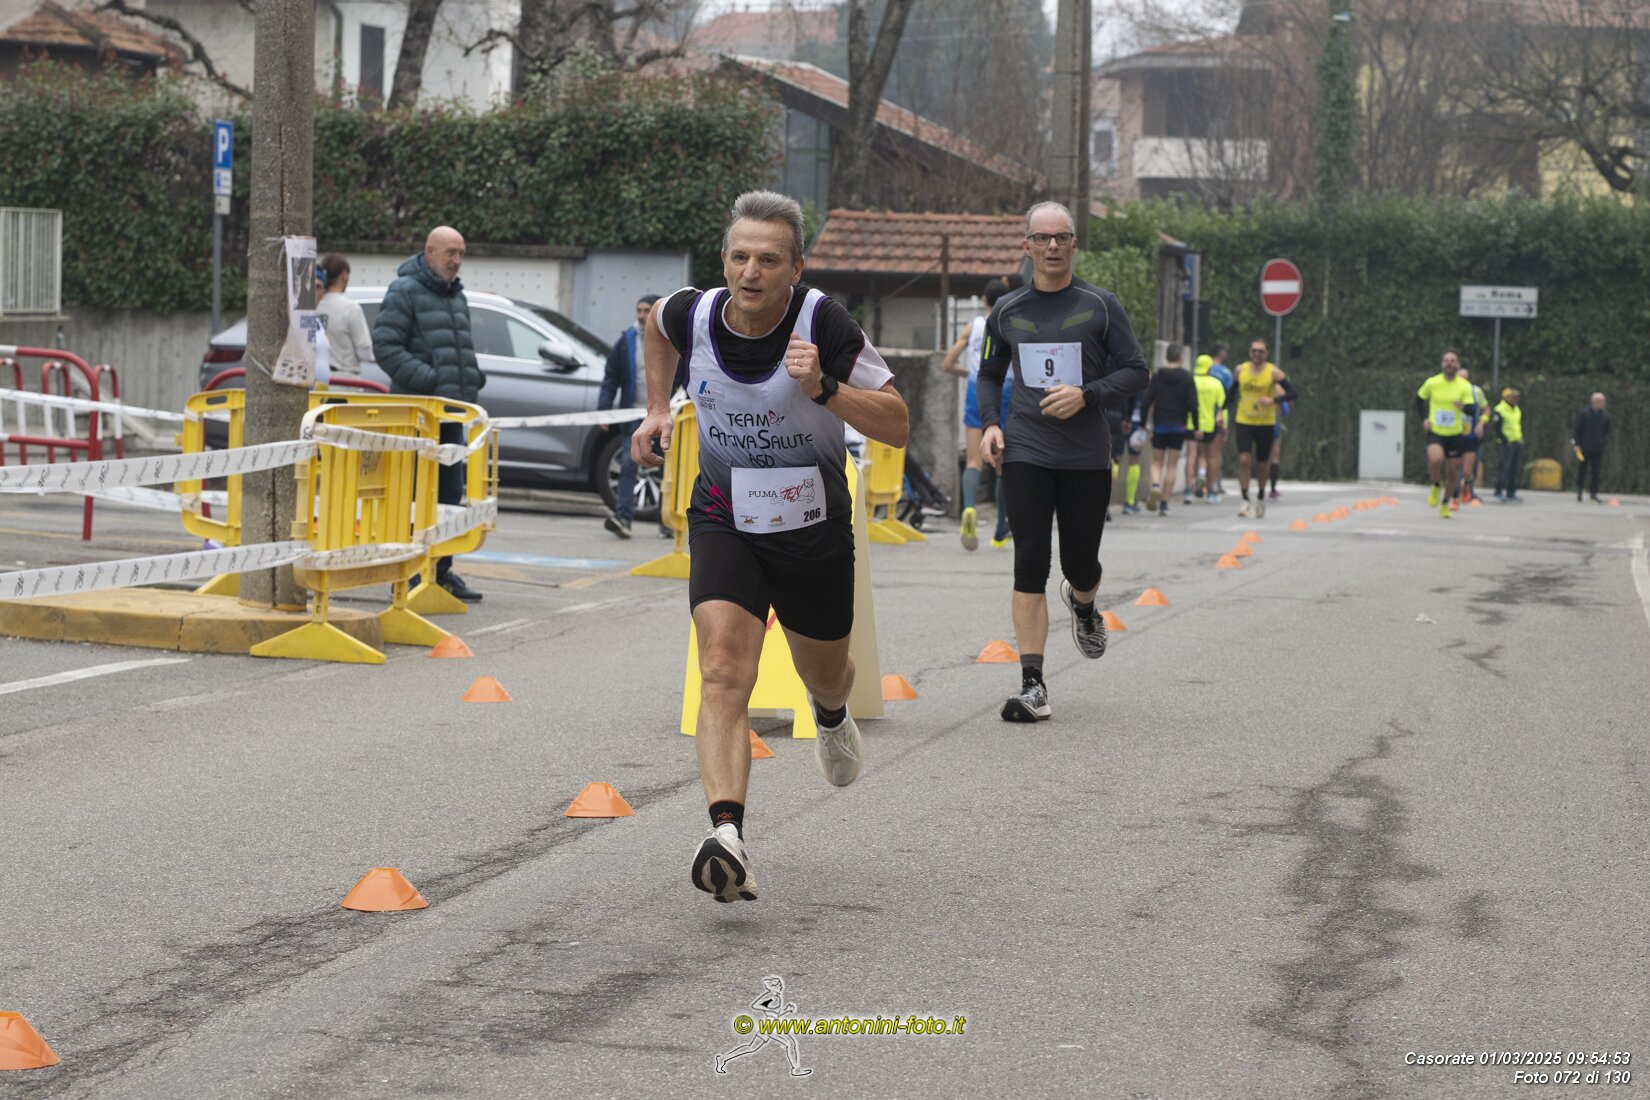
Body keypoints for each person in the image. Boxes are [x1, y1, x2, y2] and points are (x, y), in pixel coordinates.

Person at [630, 191, 908, 903]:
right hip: (724, 514)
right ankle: (727, 834)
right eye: (740, 257)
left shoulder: (824, 322)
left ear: (796, 268)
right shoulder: (692, 313)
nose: (751, 272)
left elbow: (898, 423)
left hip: (811, 525)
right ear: (724, 259)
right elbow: (654, 328)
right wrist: (658, 407)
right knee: (723, 667)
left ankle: (832, 714)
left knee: (827, 672)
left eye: (769, 260)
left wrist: (826, 388)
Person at [977, 201, 1149, 722]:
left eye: (1062, 237)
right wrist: (991, 424)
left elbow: (1136, 370)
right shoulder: (1006, 310)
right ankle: (1033, 684)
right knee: (1030, 559)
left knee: (1080, 564)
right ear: (1026, 245)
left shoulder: (1100, 306)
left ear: (1074, 244)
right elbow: (989, 374)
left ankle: (1084, 602)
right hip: (1027, 450)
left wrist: (1087, 394)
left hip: (1085, 456)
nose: (1052, 246)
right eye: (1042, 237)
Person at [372, 226, 486, 602]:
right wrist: (431, 381)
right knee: (415, 495)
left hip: (451, 415)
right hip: (418, 417)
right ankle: (410, 572)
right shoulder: (404, 290)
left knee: (449, 495)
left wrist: (472, 377)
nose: (457, 261)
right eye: (451, 252)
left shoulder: (456, 295)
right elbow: (385, 346)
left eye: (461, 253)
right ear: (430, 251)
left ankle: (439, 571)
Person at [941, 279, 1012, 550]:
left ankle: (969, 508)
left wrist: (972, 374)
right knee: (1003, 464)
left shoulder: (973, 326)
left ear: (984, 300)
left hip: (976, 391)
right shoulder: (1011, 325)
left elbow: (948, 364)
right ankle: (1000, 529)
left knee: (973, 460)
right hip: (1007, 391)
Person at [599, 294, 663, 538]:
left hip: (666, 417)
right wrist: (604, 410)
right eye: (639, 310)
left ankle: (667, 522)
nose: (642, 315)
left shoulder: (672, 338)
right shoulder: (627, 341)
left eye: (647, 310)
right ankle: (623, 517)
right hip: (634, 416)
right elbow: (611, 377)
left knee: (667, 470)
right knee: (628, 463)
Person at [1233, 339, 1292, 518]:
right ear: (1249, 352)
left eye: (1260, 351)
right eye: (1254, 351)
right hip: (1244, 420)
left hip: (1265, 423)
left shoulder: (1273, 372)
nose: (1257, 354)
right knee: (1244, 459)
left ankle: (1260, 496)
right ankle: (1245, 500)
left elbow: (1293, 393)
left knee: (1262, 463)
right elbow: (1231, 393)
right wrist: (1221, 411)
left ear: (1266, 353)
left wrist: (1273, 400)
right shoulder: (1241, 370)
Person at [1416, 350, 1476, 520]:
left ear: (1457, 364)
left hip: (1455, 434)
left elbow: (1472, 410)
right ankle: (1436, 484)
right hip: (1436, 431)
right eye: (1446, 360)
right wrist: (1425, 419)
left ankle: (1445, 503)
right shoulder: (1432, 382)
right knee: (1435, 459)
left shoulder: (1464, 386)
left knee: (1452, 473)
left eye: (1453, 360)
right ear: (1442, 364)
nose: (1449, 363)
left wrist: (1463, 407)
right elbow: (1419, 400)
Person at [1140, 343, 1196, 516]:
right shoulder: (1187, 377)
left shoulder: (1157, 376)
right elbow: (1193, 404)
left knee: (1157, 463)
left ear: (1166, 357)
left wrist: (1143, 423)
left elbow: (1146, 401)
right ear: (1181, 357)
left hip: (1160, 425)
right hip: (1179, 426)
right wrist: (1196, 426)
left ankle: (1155, 485)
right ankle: (1164, 504)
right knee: (1172, 465)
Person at [315, 254, 375, 379]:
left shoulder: (313, 307)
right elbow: (364, 352)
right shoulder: (351, 308)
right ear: (344, 275)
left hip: (317, 378)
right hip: (345, 380)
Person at [1455, 368, 1490, 507]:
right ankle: (1456, 492)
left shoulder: (1476, 391)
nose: (1462, 381)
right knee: (1455, 464)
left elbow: (1486, 409)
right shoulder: (1450, 391)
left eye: (1465, 378)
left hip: (1472, 434)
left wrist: (1481, 424)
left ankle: (1469, 491)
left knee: (1471, 467)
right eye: (1459, 378)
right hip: (1455, 434)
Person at [1205, 343, 1234, 502]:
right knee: (1216, 453)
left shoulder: (1202, 368)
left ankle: (1201, 481)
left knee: (1200, 454)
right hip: (1219, 414)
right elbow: (1229, 396)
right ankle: (1215, 484)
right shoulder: (1226, 373)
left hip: (1199, 415)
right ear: (1221, 353)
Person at [1573, 391, 1610, 502]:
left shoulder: (1605, 416)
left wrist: (1603, 442)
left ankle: (1593, 493)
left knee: (1596, 471)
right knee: (1582, 469)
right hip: (1584, 447)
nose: (1601, 403)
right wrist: (1577, 444)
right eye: (1599, 401)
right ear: (1593, 402)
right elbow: (1578, 430)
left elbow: (1607, 431)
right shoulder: (1584, 413)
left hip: (1598, 448)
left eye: (1602, 401)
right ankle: (1579, 490)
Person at [1490, 387, 1524, 503]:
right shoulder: (1500, 410)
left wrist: (1520, 438)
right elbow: (1496, 429)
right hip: (1505, 445)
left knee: (1514, 469)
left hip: (1516, 442)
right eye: (1513, 397)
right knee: (1503, 468)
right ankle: (1498, 492)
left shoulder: (1516, 409)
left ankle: (1511, 492)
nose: (1516, 399)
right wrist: (1505, 440)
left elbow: (1516, 426)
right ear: (1506, 397)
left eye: (1516, 397)